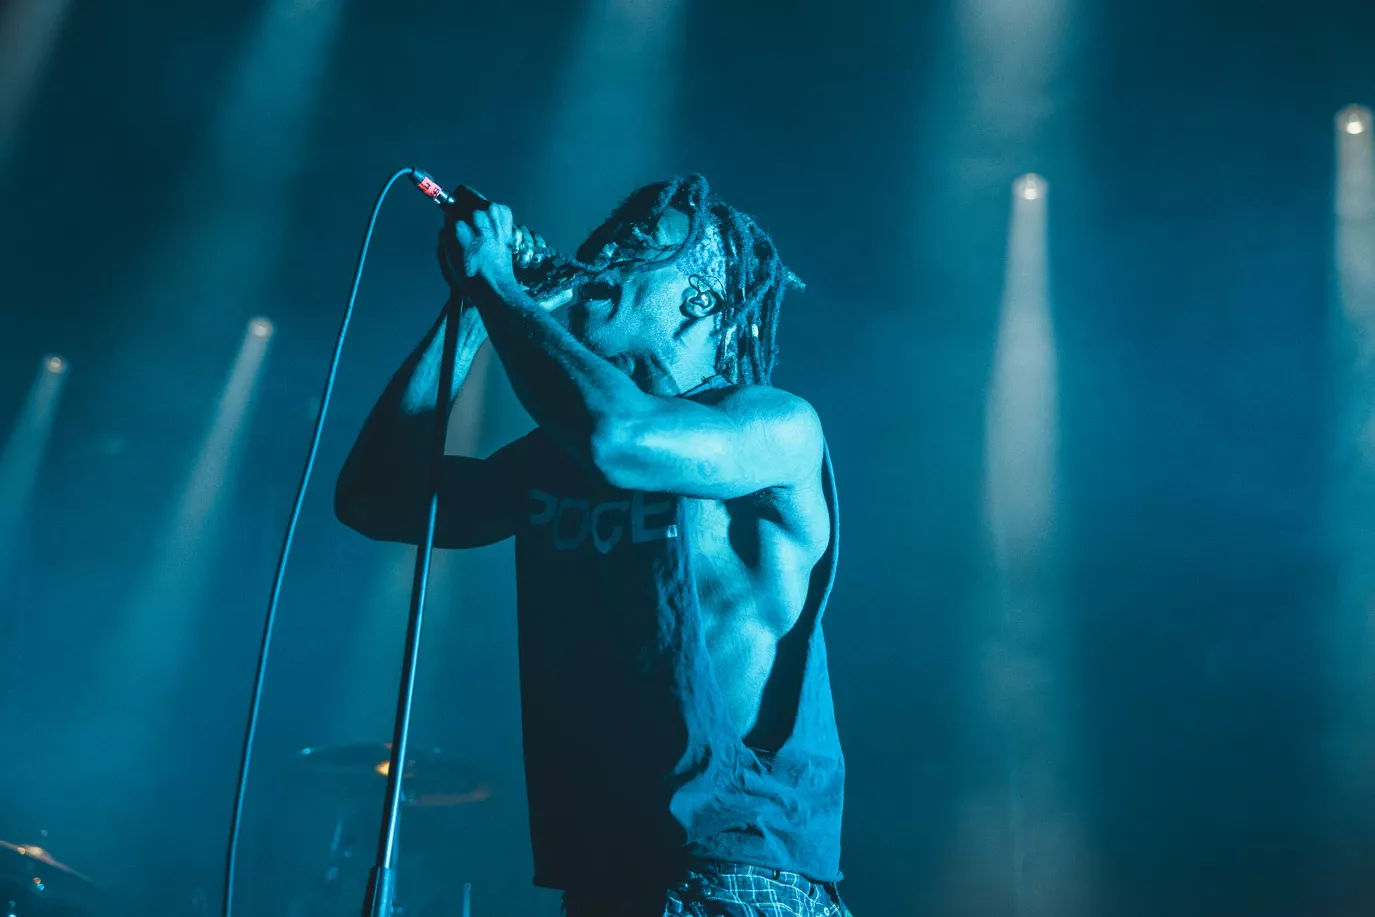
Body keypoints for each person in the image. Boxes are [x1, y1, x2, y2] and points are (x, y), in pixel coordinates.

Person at [335, 175, 849, 916]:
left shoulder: (774, 427)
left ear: (700, 298)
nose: (600, 254)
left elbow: (619, 436)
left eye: (635, 244)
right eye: (603, 240)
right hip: (609, 876)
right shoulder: (556, 459)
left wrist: (498, 288)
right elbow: (378, 498)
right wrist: (473, 310)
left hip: (733, 868)